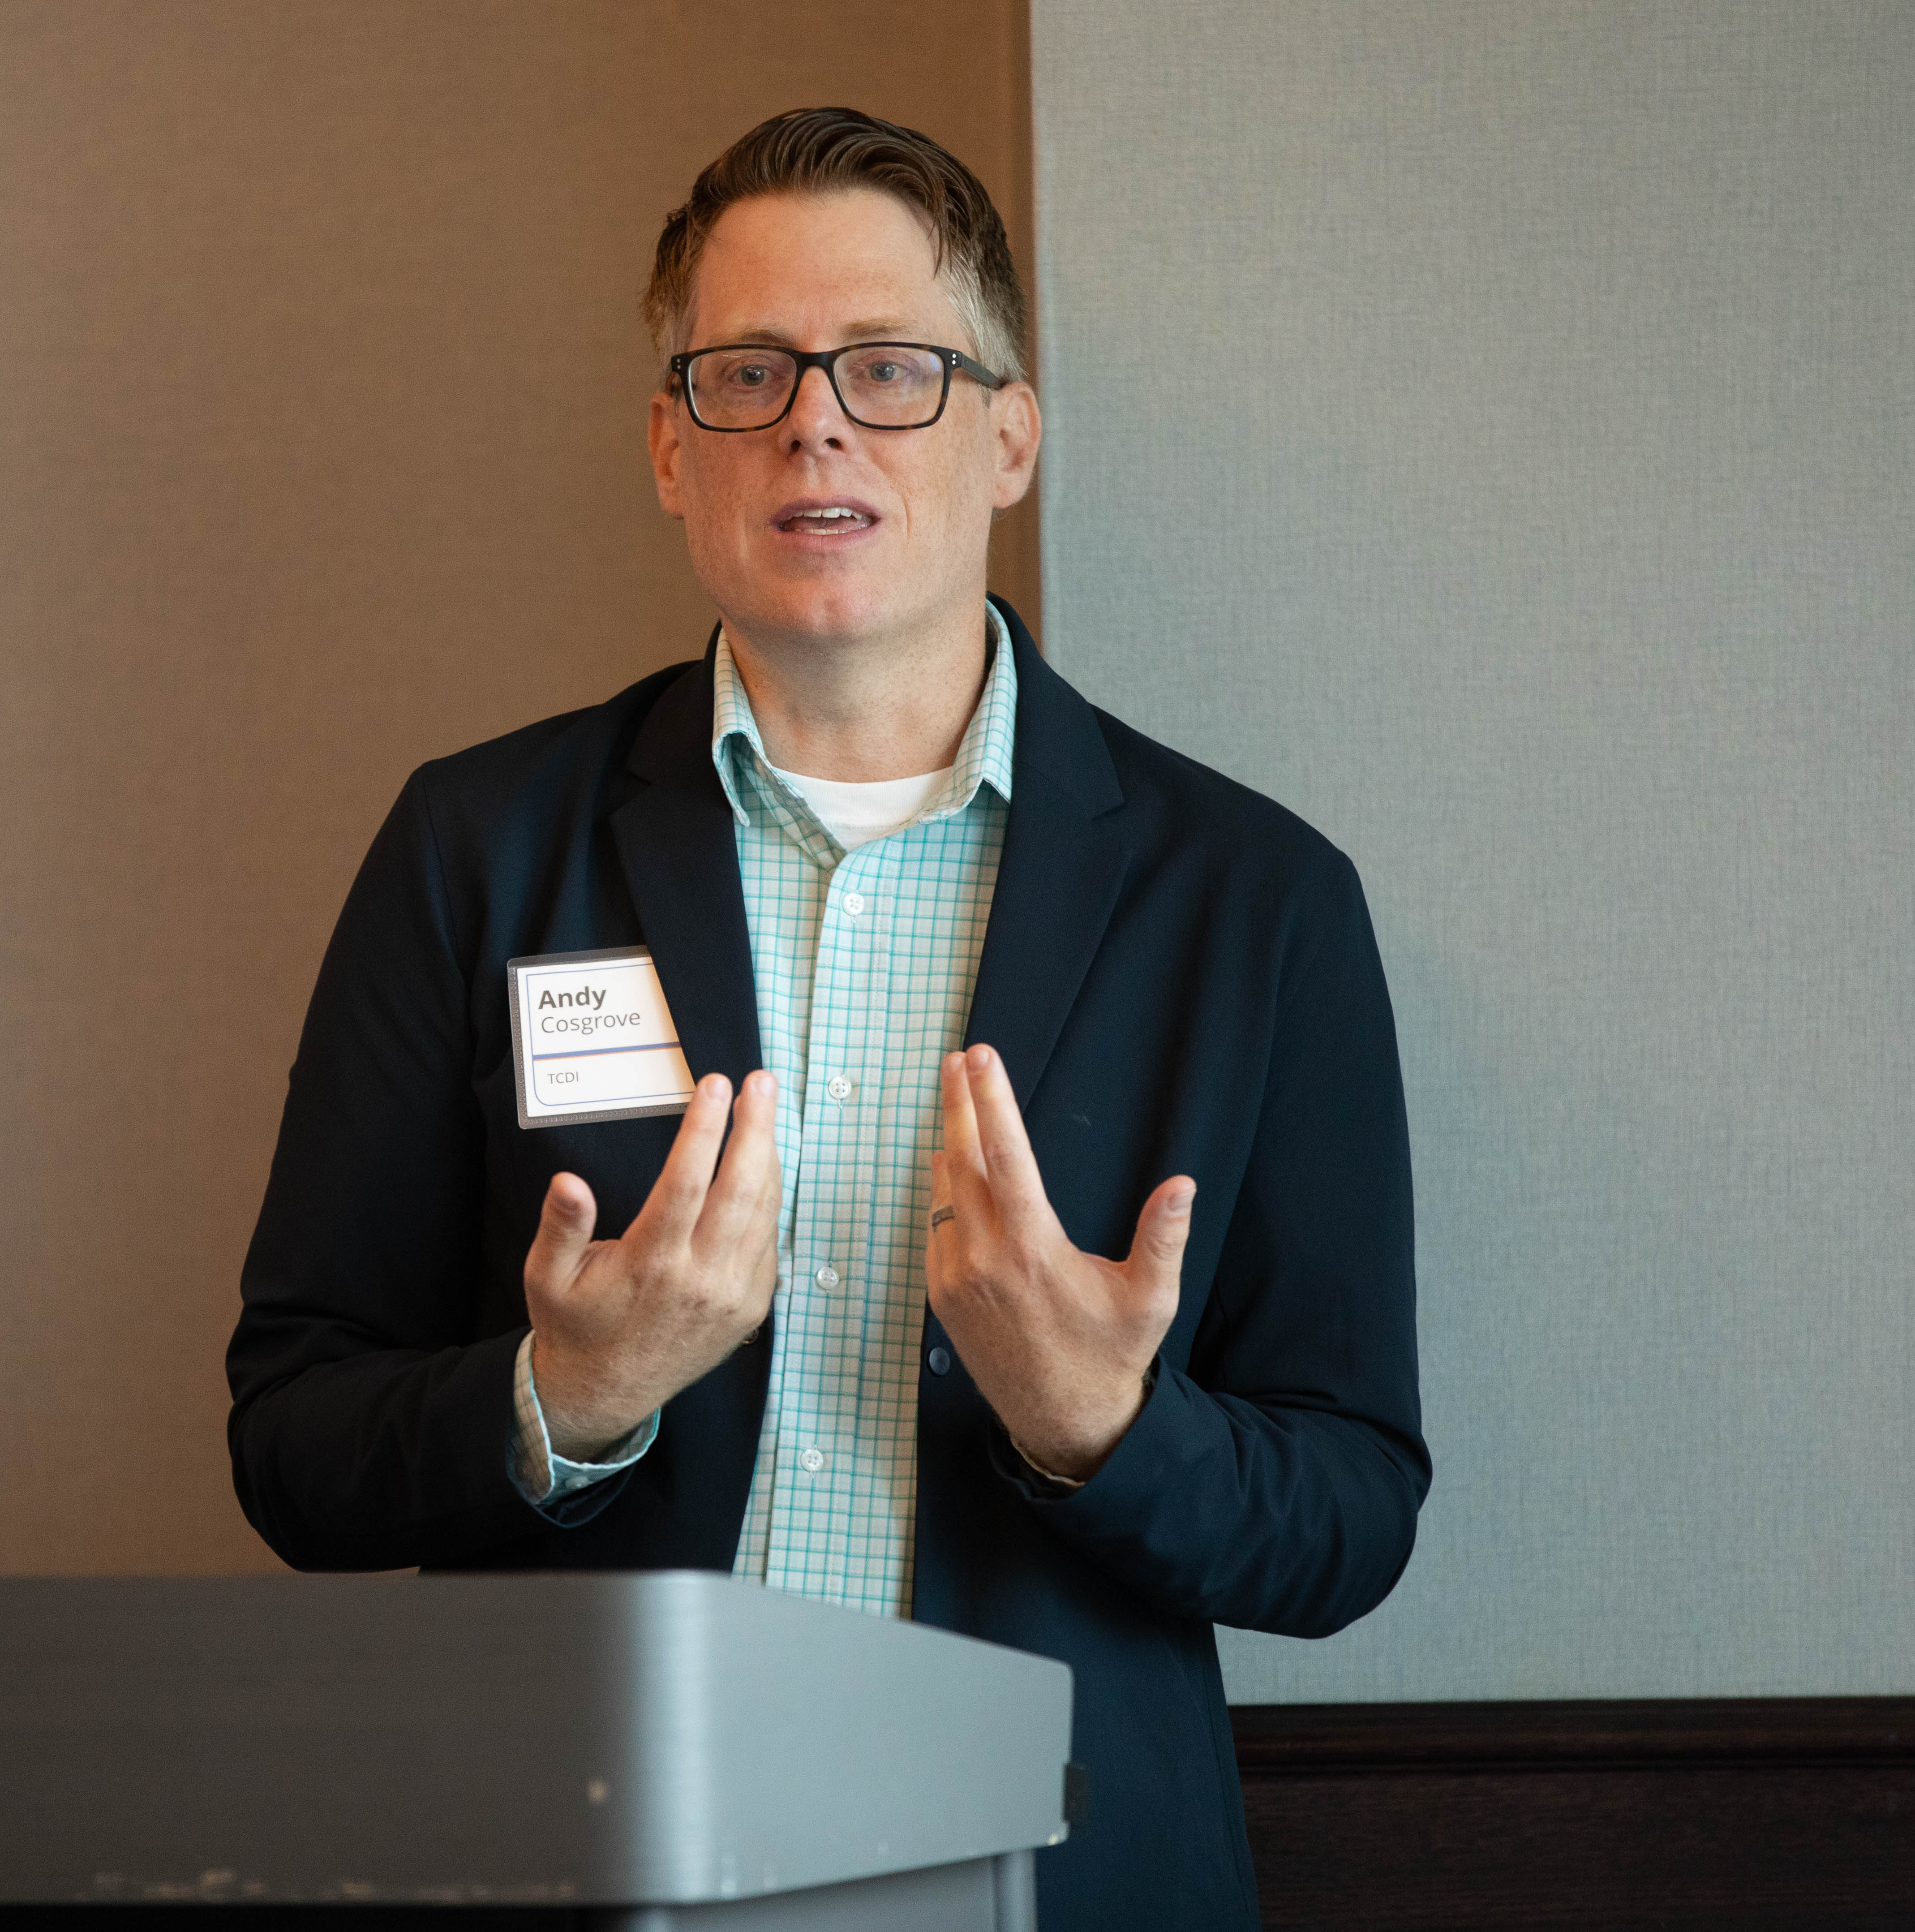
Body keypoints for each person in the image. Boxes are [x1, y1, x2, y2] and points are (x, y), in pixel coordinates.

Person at [226, 107, 1425, 1928]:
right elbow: (296, 1440)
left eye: (891, 367)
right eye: (748, 373)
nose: (815, 424)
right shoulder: (477, 848)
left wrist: (1103, 1424)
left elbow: (1350, 1514)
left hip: (1046, 1877)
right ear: (670, 444)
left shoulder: (1257, 902)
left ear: (1009, 435)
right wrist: (569, 1397)